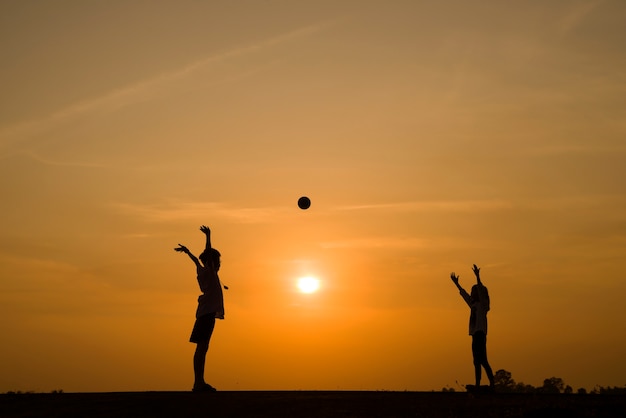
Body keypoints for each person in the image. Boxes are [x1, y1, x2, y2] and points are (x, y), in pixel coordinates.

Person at [175, 225, 225, 392]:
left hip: (205, 313)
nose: (219, 263)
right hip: (206, 314)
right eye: (217, 260)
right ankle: (199, 383)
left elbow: (196, 260)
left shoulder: (203, 271)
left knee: (202, 348)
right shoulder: (210, 272)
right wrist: (208, 236)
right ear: (213, 261)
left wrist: (188, 252)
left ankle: (199, 382)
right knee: (202, 348)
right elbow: (207, 252)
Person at [450, 264, 495, 390]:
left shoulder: (483, 306)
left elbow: (480, 291)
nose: (472, 293)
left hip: (480, 334)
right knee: (476, 361)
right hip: (475, 335)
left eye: (473, 291)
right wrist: (457, 284)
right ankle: (478, 384)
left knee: (483, 360)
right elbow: (464, 295)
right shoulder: (473, 304)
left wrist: (478, 277)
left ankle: (491, 384)